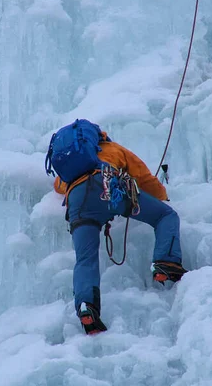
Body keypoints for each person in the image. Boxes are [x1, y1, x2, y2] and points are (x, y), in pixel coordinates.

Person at [49, 125, 184, 335]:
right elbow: (143, 176)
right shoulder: (113, 149)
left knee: (85, 259)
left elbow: (59, 185)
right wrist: (161, 197)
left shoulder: (69, 168)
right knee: (165, 216)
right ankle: (166, 262)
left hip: (78, 200)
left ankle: (87, 306)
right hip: (106, 185)